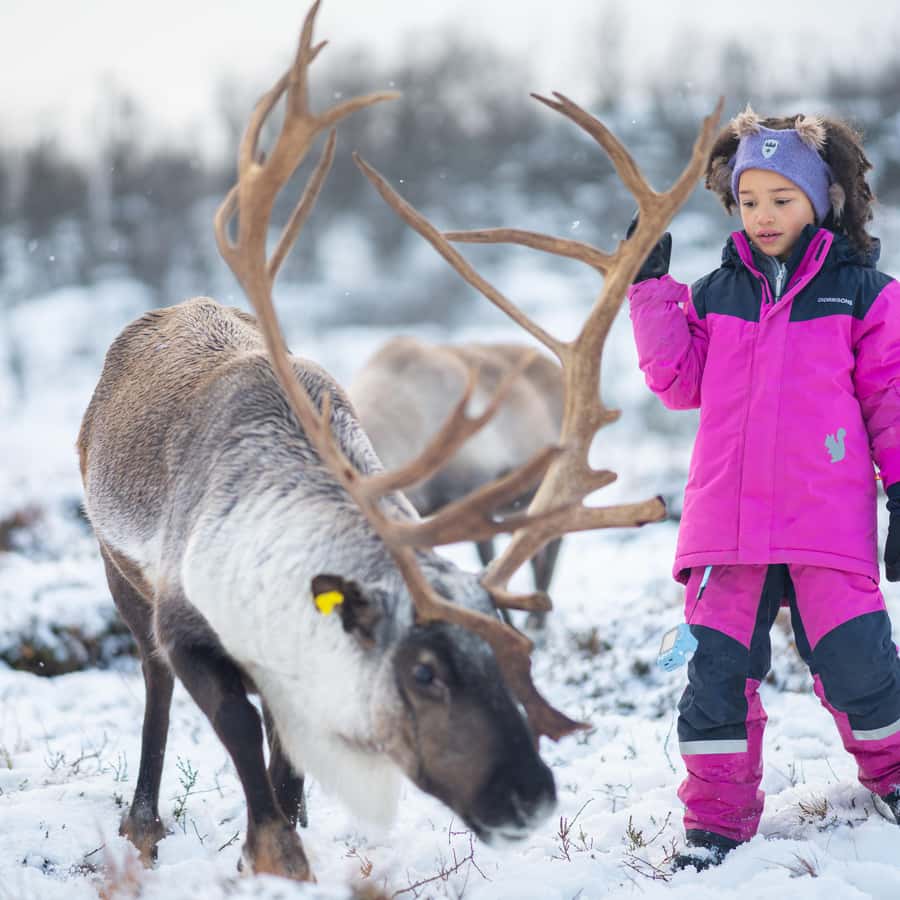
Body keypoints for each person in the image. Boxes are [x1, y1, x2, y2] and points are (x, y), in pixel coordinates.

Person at [626, 105, 900, 871]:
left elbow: (892, 399)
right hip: (726, 532)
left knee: (859, 666)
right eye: (749, 200)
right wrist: (652, 294)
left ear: (823, 200)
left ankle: (895, 772)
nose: (764, 215)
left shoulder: (865, 295)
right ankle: (715, 822)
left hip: (826, 523)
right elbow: (678, 383)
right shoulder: (715, 294)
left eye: (782, 199)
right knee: (712, 677)